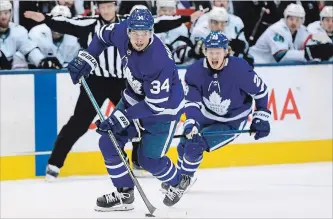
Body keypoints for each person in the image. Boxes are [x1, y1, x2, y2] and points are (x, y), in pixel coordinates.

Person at [24, 2, 206, 180]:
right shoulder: (91, 24)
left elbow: (159, 23)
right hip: (96, 80)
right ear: (98, 8)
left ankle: (138, 162)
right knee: (78, 122)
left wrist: (186, 17)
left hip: (122, 81)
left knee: (137, 118)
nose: (106, 10)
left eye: (110, 6)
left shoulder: (130, 24)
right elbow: (67, 24)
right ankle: (55, 163)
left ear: (115, 7)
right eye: (103, 7)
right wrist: (46, 19)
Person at [67, 7, 191, 211]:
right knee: (108, 141)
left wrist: (120, 118)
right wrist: (88, 58)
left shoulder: (158, 60)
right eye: (135, 33)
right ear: (128, 31)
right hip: (134, 99)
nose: (140, 39)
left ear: (152, 32)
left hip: (163, 112)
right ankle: (124, 194)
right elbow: (100, 36)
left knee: (148, 160)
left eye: (144, 34)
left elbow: (154, 105)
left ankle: (178, 181)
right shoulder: (120, 31)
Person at [161, 31, 271, 192]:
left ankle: (182, 182)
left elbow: (260, 93)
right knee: (183, 144)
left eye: (218, 52)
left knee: (195, 146)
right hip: (206, 115)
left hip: (231, 122)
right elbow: (192, 101)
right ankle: (179, 177)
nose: (214, 56)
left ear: (226, 52)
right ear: (205, 52)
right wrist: (191, 122)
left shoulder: (240, 69)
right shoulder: (195, 71)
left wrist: (261, 116)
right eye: (210, 51)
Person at [249, 3, 333, 64]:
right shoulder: (276, 30)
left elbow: (312, 45)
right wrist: (309, 54)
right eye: (291, 19)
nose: (294, 23)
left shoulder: (303, 31)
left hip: (274, 69)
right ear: (285, 18)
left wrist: (324, 49)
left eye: (297, 20)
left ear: (302, 21)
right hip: (256, 65)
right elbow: (281, 56)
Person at [15, 5, 80, 69]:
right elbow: (26, 51)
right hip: (38, 71)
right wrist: (41, 61)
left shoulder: (74, 38)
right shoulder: (37, 32)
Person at [0, 0, 59, 70]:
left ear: (11, 13)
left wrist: (41, 61)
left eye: (6, 13)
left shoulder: (18, 30)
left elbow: (29, 49)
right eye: (0, 14)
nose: (3, 17)